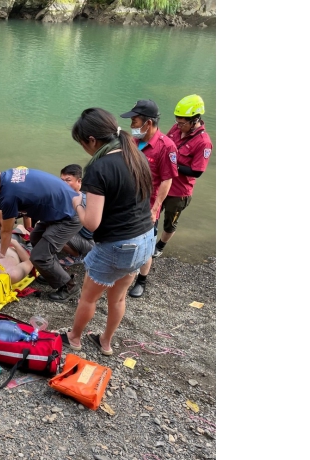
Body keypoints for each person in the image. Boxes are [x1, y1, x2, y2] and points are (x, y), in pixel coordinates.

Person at [62, 108, 154, 356]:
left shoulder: (99, 167)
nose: (85, 149)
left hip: (118, 244)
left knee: (88, 298)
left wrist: (77, 203)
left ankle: (74, 338)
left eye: (82, 143)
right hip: (145, 240)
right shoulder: (136, 155)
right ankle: (106, 342)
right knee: (118, 298)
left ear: (92, 140)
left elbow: (91, 223)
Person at [0, 158, 83, 302]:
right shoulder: (9, 175)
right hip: (61, 207)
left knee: (38, 256)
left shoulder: (9, 195)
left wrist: (2, 251)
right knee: (35, 238)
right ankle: (53, 273)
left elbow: (6, 230)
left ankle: (70, 287)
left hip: (70, 214)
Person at [119, 99, 178, 298]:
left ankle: (142, 280)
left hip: (148, 205)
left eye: (134, 121)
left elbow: (167, 180)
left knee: (146, 244)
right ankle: (123, 271)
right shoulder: (133, 141)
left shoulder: (166, 147)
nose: (132, 126)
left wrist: (155, 208)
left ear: (148, 123)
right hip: (128, 201)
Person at [153, 94, 214, 258]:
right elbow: (163, 144)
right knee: (152, 213)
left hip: (179, 192)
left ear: (195, 120)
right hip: (162, 184)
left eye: (182, 123)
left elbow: (197, 171)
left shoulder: (204, 143)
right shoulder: (176, 128)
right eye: (177, 122)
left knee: (170, 222)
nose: (178, 126)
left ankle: (160, 246)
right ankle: (149, 240)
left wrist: (172, 165)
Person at [57, 164, 95, 267]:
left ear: (79, 181)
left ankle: (76, 256)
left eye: (68, 180)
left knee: (55, 232)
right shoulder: (74, 195)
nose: (64, 184)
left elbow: (89, 233)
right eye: (62, 180)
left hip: (89, 242)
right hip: (80, 235)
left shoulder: (81, 200)